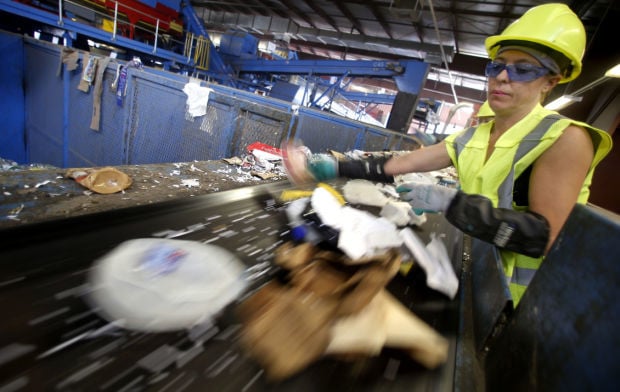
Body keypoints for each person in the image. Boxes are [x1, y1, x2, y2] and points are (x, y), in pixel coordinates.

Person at [282, 3, 612, 306]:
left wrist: (453, 204)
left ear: (549, 82)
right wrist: (332, 166)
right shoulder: (473, 137)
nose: (501, 77)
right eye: (497, 66)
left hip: (526, 302)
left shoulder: (566, 139)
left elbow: (545, 236)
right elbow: (400, 164)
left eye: (522, 70)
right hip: (480, 276)